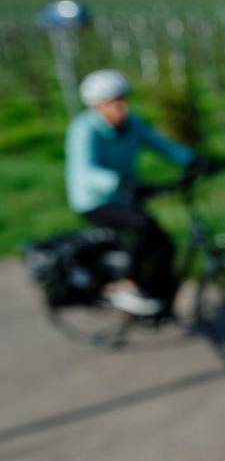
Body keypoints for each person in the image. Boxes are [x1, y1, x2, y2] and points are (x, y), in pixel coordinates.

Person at [66, 70, 196, 317]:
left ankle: (158, 303)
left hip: (124, 196)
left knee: (165, 246)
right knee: (142, 226)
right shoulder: (84, 129)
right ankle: (125, 285)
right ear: (97, 106)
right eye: (113, 102)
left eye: (122, 99)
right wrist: (120, 183)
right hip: (94, 201)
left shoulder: (132, 124)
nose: (121, 107)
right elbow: (85, 172)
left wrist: (193, 160)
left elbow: (161, 145)